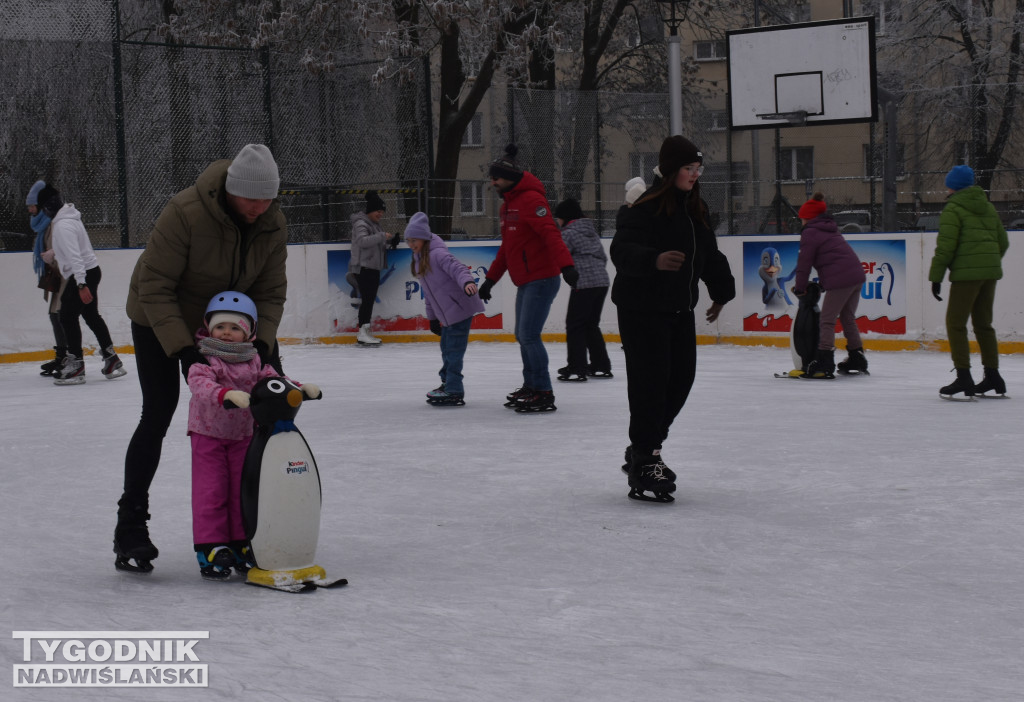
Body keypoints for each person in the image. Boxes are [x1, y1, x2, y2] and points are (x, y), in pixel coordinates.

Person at [114, 143, 289, 573]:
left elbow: (269, 293)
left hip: (231, 323)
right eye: (252, 199)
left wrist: (262, 345)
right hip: (160, 316)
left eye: (267, 199)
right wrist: (186, 351)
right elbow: (154, 286)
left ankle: (253, 524)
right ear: (231, 190)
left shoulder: (271, 222)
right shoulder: (185, 212)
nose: (259, 207)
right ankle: (131, 526)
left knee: (272, 404)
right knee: (158, 410)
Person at [610, 135, 735, 501]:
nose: (694, 175)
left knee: (681, 379)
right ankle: (647, 457)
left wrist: (721, 292)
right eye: (688, 168)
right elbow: (621, 250)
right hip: (641, 307)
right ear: (669, 170)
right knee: (650, 382)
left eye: (698, 169)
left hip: (679, 307)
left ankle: (644, 448)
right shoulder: (644, 207)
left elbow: (709, 254)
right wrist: (654, 260)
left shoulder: (696, 207)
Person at [187, 291, 320, 580]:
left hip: (243, 435)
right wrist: (225, 393)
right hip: (207, 435)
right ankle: (211, 546)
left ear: (249, 333)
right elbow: (200, 385)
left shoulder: (255, 361)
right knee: (211, 491)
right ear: (209, 327)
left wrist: (298, 389)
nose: (226, 333)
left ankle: (238, 543)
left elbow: (274, 381)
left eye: (235, 328)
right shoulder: (205, 360)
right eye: (220, 326)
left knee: (241, 491)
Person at [478, 144, 578, 413]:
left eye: (495, 177)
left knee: (528, 335)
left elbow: (551, 235)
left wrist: (567, 266)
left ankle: (544, 391)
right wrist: (490, 280)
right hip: (526, 279)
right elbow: (506, 249)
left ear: (508, 178)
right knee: (523, 335)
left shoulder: (533, 201)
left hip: (543, 278)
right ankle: (532, 386)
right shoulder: (507, 207)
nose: (492, 182)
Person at [928, 164, 1009, 399]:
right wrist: (988, 263)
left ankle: (964, 377)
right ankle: (993, 375)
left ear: (952, 185)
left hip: (966, 277)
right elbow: (1002, 243)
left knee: (955, 324)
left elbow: (945, 248)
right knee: (984, 324)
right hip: (989, 275)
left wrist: (936, 277)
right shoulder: (988, 207)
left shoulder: (953, 209)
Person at [36, 185, 127, 386]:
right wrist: (55, 253)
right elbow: (75, 249)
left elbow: (76, 257)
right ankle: (111, 359)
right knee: (91, 315)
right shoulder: (69, 219)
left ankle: (76, 364)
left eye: (43, 208)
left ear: (49, 206)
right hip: (90, 272)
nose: (43, 212)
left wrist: (81, 284)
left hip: (83, 275)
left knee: (67, 317)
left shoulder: (62, 226)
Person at [404, 212, 485, 406]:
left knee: (453, 351)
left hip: (460, 310)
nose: (411, 244)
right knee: (446, 349)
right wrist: (432, 318)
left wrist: (467, 282)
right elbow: (430, 295)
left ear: (423, 238)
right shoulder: (419, 259)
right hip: (447, 316)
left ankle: (454, 390)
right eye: (408, 241)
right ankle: (447, 383)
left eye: (414, 240)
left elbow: (459, 268)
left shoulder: (438, 254)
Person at [790, 192, 868, 379]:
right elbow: (833, 259)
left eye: (802, 218)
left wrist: (800, 288)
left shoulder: (810, 232)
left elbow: (804, 263)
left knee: (827, 319)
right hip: (857, 276)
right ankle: (857, 357)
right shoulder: (830, 229)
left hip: (842, 281)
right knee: (847, 317)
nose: (801, 222)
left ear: (807, 218)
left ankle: (824, 361)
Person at [553, 198, 612, 381]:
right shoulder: (590, 231)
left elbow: (559, 256)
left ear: (565, 217)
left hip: (584, 283)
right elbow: (603, 257)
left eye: (559, 218)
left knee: (575, 325)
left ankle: (576, 366)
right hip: (601, 281)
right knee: (590, 324)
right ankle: (600, 364)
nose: (558, 222)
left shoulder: (569, 233)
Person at [26, 179, 69, 376]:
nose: (30, 210)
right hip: (58, 275)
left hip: (67, 275)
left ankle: (68, 357)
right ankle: (63, 356)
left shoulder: (55, 223)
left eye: (32, 205)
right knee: (56, 315)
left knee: (60, 316)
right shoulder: (45, 223)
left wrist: (51, 256)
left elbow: (63, 249)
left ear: (42, 205)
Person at [349, 190, 396, 345]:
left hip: (372, 267)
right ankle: (363, 332)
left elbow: (377, 242)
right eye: (378, 211)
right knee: (367, 300)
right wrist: (383, 236)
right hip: (363, 268)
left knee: (368, 301)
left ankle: (365, 330)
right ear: (370, 210)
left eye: (382, 212)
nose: (380, 214)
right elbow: (362, 241)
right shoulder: (361, 224)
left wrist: (391, 242)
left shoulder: (375, 225)